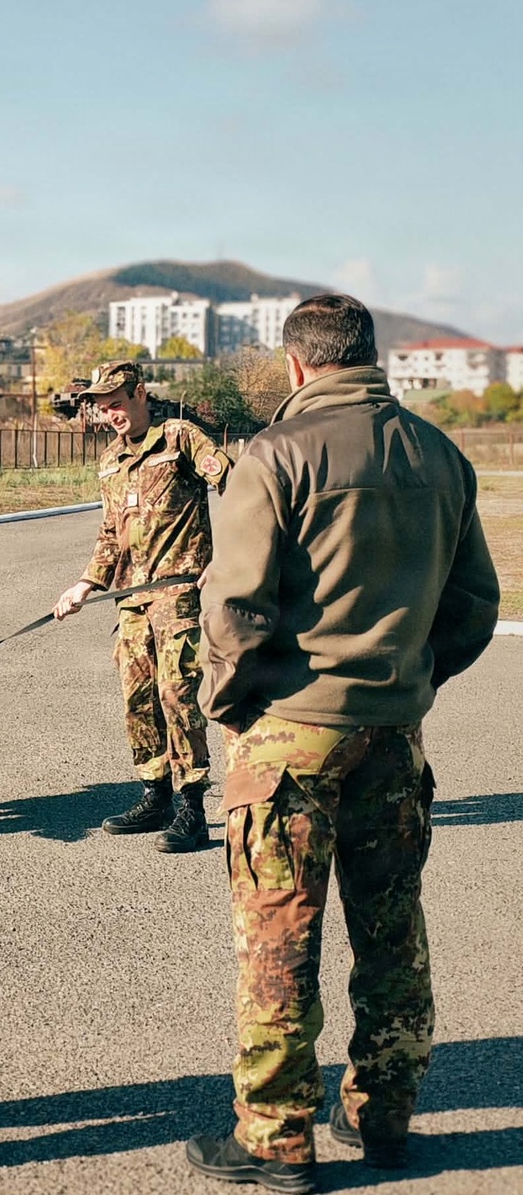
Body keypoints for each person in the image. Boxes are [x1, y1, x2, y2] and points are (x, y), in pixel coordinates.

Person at [183, 295, 500, 1194]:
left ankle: (278, 1137)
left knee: (279, 933)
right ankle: (384, 1114)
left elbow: (235, 607)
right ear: (372, 356)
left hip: (290, 734)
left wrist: (228, 701)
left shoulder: (274, 455)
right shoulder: (441, 454)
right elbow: (475, 603)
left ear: (295, 366)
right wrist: (411, 678)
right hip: (393, 733)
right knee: (391, 925)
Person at [54, 360, 231, 852]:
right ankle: (156, 796)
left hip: (177, 593)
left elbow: (237, 490)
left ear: (140, 393)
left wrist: (229, 558)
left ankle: (192, 806)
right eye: (102, 408)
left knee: (177, 694)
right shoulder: (109, 461)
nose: (111, 414)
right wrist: (86, 583)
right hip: (130, 599)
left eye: (116, 403)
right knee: (138, 699)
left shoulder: (180, 438)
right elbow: (111, 534)